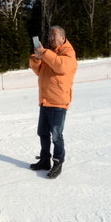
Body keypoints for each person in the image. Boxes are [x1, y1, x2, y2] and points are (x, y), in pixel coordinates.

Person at [29, 25, 77, 179]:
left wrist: (43, 53)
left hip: (58, 102)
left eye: (54, 36)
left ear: (63, 38)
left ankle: (58, 162)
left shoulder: (68, 53)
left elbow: (61, 66)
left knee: (56, 135)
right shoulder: (49, 53)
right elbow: (39, 71)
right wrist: (36, 59)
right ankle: (44, 160)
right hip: (45, 100)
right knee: (42, 132)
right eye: (49, 36)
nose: (50, 39)